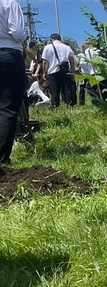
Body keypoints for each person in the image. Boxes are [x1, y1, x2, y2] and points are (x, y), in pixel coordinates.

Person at [0, 0, 26, 165]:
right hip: (8, 55)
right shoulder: (9, 2)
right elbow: (18, 33)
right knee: (7, 108)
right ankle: (2, 158)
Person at [41, 33, 77, 108]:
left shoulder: (48, 47)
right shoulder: (67, 47)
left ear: (51, 39)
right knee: (67, 88)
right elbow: (72, 60)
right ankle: (69, 104)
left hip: (53, 70)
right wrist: (73, 73)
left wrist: (44, 72)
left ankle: (55, 105)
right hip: (65, 69)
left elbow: (45, 62)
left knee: (54, 89)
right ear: (60, 39)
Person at [77, 40, 98, 106]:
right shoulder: (80, 55)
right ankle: (81, 102)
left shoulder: (92, 52)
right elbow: (78, 64)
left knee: (91, 87)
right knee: (82, 88)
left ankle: (95, 101)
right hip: (83, 73)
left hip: (91, 72)